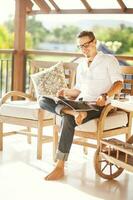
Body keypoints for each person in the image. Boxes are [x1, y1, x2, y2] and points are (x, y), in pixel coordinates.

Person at [39, 30, 123, 180]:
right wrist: (66, 92)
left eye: (87, 45)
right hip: (80, 104)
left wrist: (105, 95)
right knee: (43, 100)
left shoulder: (109, 60)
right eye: (80, 46)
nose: (84, 49)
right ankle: (72, 112)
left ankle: (60, 167)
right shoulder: (81, 65)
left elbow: (118, 83)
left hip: (100, 106)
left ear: (95, 42)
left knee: (67, 120)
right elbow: (78, 91)